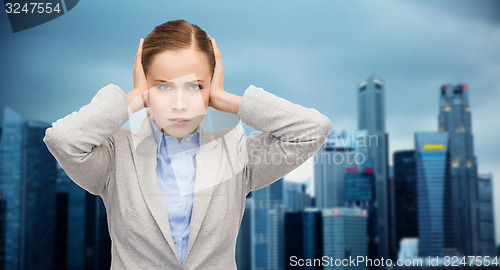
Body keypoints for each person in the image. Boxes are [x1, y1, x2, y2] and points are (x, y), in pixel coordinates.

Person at [43, 19, 331, 270]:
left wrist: (227, 100)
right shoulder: (116, 155)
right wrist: (133, 98)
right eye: (163, 86)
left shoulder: (235, 151)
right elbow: (63, 140)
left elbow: (312, 130)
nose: (180, 105)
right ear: (145, 83)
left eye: (195, 86)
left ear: (211, 85)